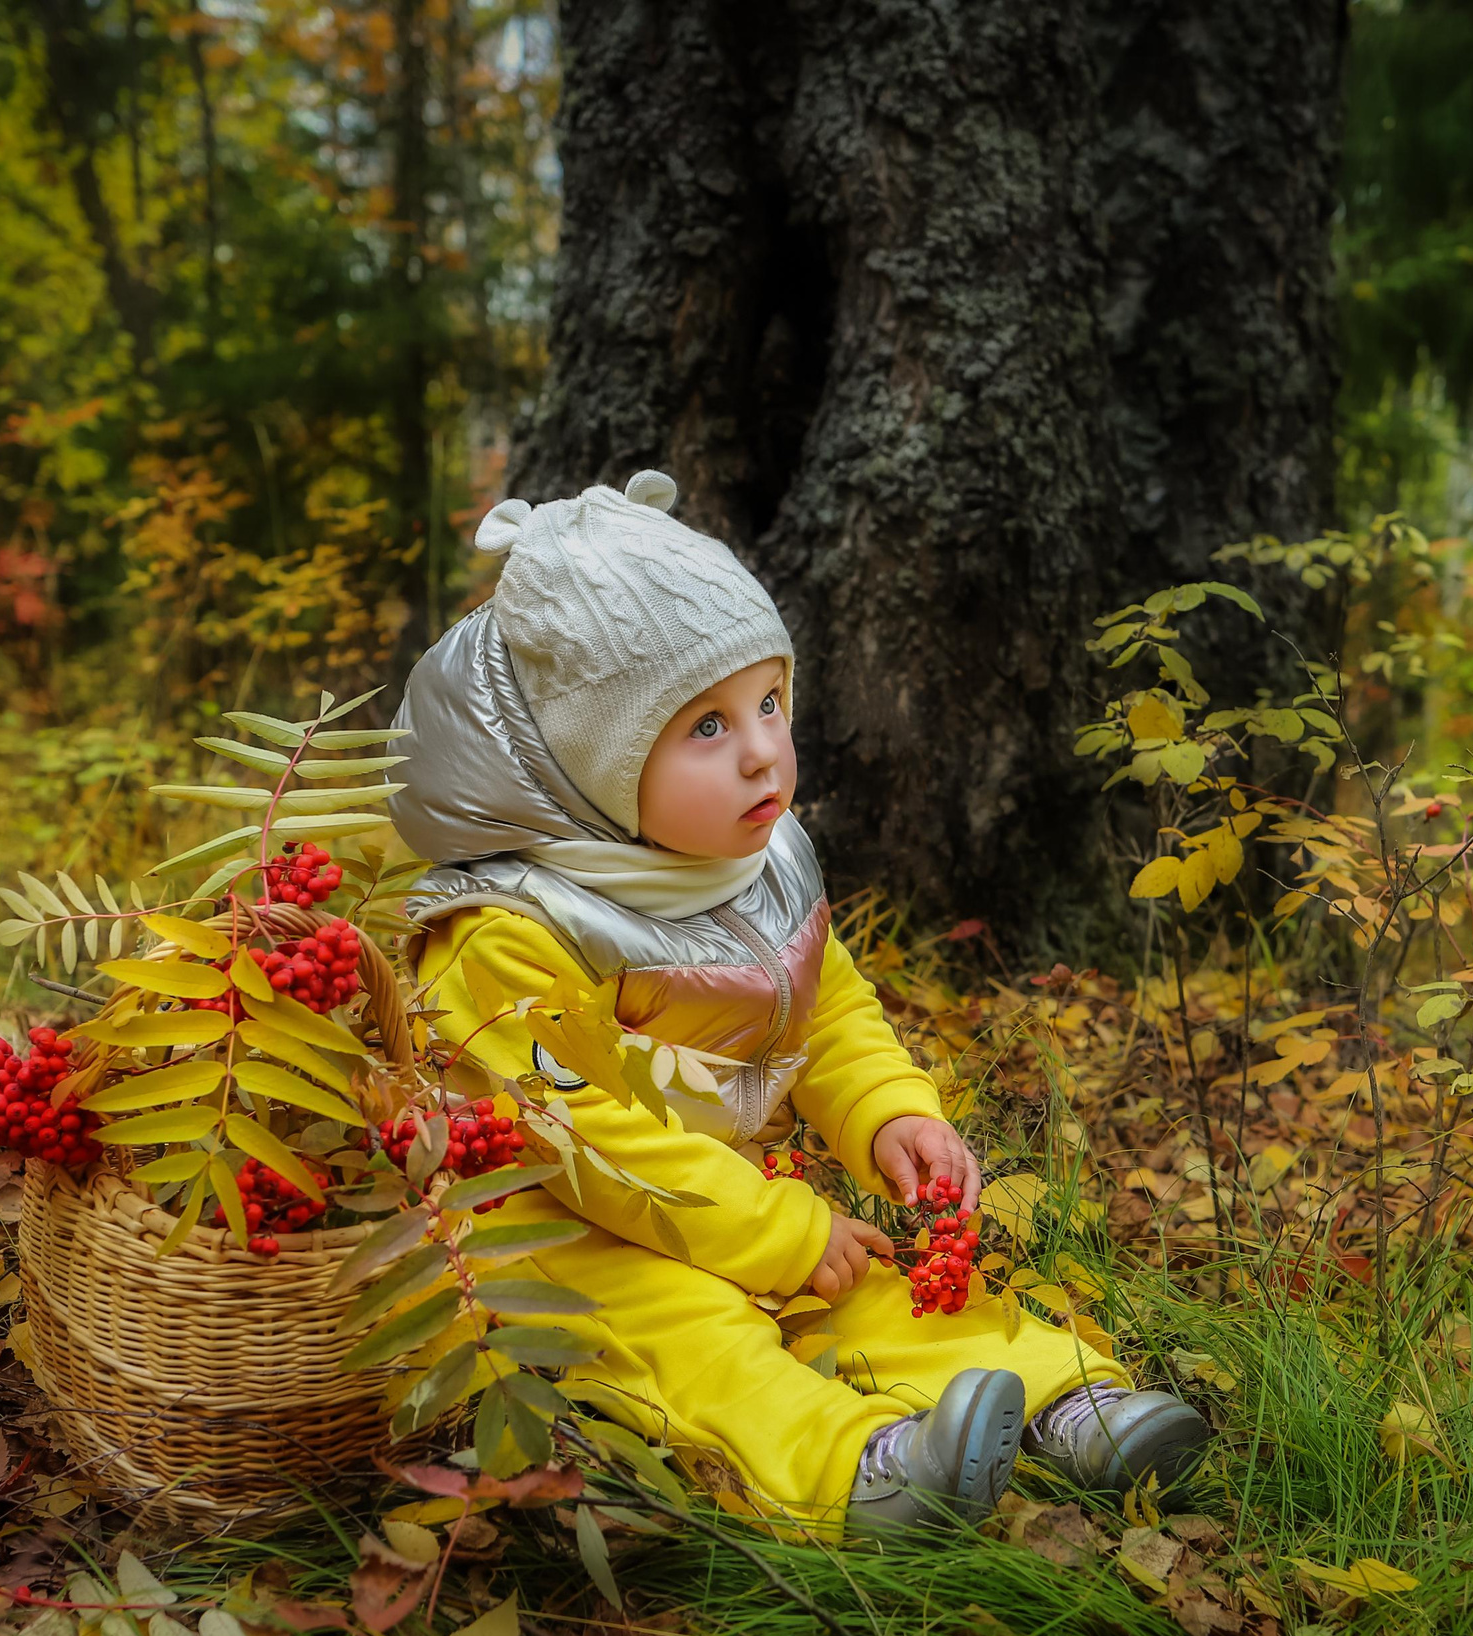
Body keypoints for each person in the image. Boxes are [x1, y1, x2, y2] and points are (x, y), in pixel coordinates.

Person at [388, 470, 1210, 1540]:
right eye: (706, 728)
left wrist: (883, 1110)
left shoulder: (752, 860)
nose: (763, 750)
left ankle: (1062, 1398)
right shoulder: (507, 930)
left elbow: (825, 1010)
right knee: (688, 1336)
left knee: (870, 1289)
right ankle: (856, 1471)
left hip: (733, 1196)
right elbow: (571, 1136)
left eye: (770, 702)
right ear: (589, 767)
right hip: (557, 1236)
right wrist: (771, 1232)